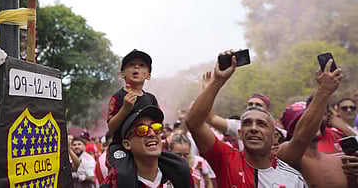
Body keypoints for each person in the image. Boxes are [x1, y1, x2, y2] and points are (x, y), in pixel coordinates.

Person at [186, 51, 307, 187]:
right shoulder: (226, 160)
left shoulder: (293, 179)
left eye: (261, 124)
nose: (253, 128)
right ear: (240, 134)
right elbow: (193, 123)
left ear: (275, 137)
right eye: (247, 124)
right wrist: (218, 81)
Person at [277, 58, 352, 187]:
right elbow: (301, 138)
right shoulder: (286, 155)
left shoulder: (338, 162)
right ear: (291, 129)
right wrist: (324, 90)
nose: (315, 121)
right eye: (302, 120)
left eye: (317, 116)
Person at [101, 105, 193, 187]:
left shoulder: (178, 177)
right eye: (142, 130)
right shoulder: (115, 184)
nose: (152, 133)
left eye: (156, 128)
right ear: (127, 144)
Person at [106, 50, 159, 186]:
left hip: (148, 143)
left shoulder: (151, 98)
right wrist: (125, 109)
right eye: (131, 64)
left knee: (179, 166)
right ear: (122, 74)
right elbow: (111, 127)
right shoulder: (117, 97)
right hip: (121, 146)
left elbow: (158, 124)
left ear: (148, 75)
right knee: (122, 175)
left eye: (142, 65)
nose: (136, 67)